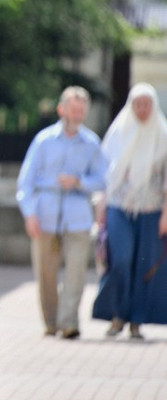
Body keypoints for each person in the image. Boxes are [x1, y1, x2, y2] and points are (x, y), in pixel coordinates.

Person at [16, 86, 108, 339]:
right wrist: (30, 214)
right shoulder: (43, 140)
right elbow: (25, 182)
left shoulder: (91, 143)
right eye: (73, 109)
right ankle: (52, 321)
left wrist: (79, 181)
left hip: (78, 216)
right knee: (46, 273)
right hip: (46, 215)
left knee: (76, 272)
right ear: (61, 109)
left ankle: (69, 322)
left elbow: (103, 179)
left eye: (81, 110)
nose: (77, 114)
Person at [92, 82, 167, 339]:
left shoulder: (162, 135)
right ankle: (116, 314)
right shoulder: (118, 133)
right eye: (137, 104)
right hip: (118, 207)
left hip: (151, 210)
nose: (142, 109)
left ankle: (136, 319)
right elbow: (105, 175)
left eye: (146, 104)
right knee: (121, 259)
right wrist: (101, 207)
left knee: (143, 265)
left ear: (153, 106)